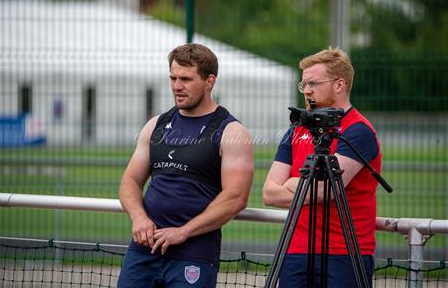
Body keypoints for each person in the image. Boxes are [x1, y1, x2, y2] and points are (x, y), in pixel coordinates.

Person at [117, 43, 254, 288]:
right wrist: (139, 218)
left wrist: (184, 231)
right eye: (173, 78)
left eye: (186, 79)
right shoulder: (156, 125)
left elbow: (236, 197)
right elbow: (129, 181)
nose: (177, 86)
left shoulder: (232, 132)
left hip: (194, 256)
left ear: (209, 81)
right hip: (143, 252)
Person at [263, 47, 381, 288]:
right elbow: (269, 193)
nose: (306, 91)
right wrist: (307, 185)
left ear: (340, 84)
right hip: (295, 249)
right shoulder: (297, 130)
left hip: (345, 252)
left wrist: (292, 183)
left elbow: (325, 189)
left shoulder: (358, 130)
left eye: (314, 83)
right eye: (304, 84)